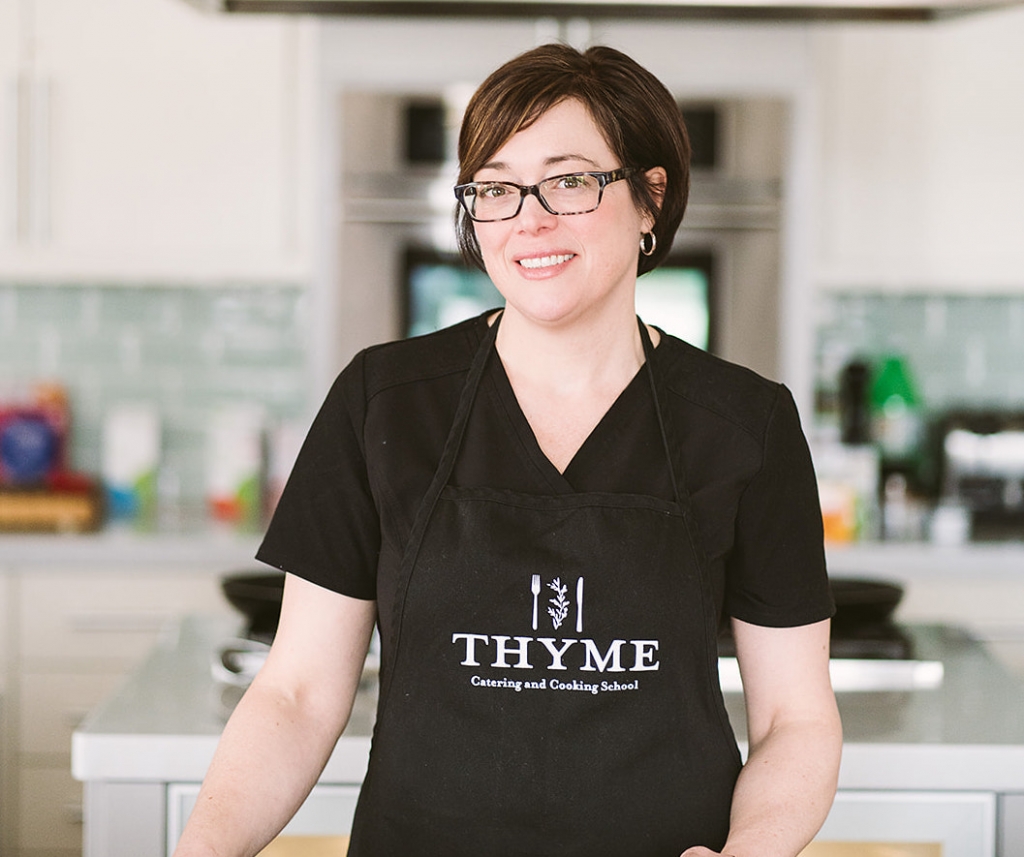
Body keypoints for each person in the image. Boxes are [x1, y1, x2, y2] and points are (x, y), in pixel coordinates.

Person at [174, 43, 842, 857]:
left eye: (569, 180)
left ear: (649, 199)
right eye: (495, 187)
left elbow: (795, 721)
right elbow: (297, 693)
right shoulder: (382, 401)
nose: (529, 217)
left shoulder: (746, 423)